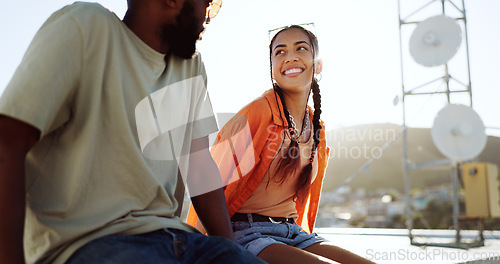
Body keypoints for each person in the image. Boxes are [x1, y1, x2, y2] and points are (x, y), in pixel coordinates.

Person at [0, 0, 266, 263]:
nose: (209, 16)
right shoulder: (85, 27)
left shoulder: (191, 67)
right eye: (208, 3)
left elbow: (198, 166)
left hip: (178, 239)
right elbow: (8, 142)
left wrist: (231, 251)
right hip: (90, 243)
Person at [188, 25, 376, 263]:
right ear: (272, 68)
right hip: (247, 232)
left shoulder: (317, 127)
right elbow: (209, 182)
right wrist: (214, 249)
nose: (290, 57)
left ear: (318, 65)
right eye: (280, 52)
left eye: (301, 48)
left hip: (293, 232)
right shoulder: (257, 113)